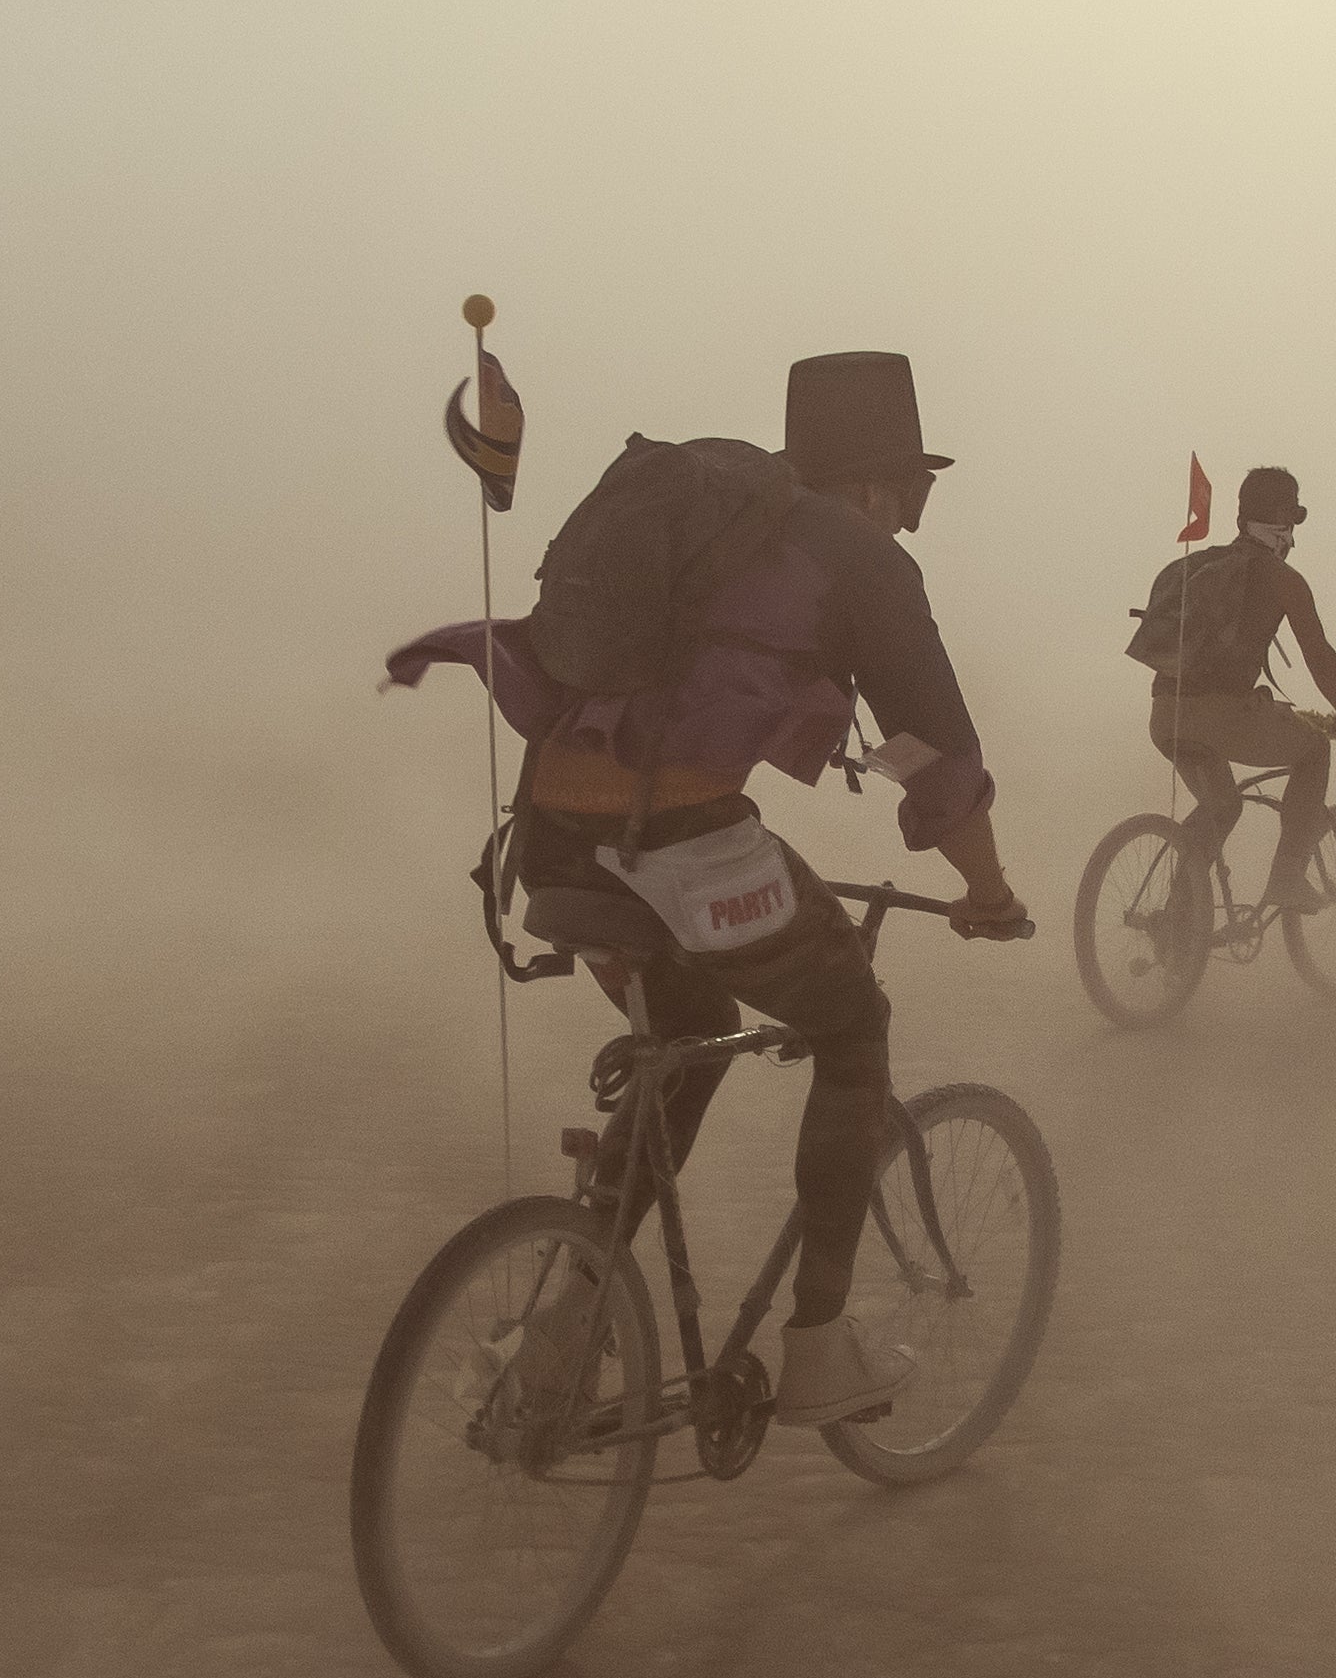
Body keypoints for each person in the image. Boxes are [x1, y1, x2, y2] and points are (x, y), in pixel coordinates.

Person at [385, 350, 1023, 1429]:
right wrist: (987, 888)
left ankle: (566, 1327)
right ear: (876, 482)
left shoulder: (711, 519)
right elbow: (932, 757)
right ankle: (818, 1349)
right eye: (910, 493)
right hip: (678, 846)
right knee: (852, 1023)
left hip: (553, 842)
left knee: (690, 1026)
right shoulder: (855, 554)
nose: (908, 520)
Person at [1144, 464, 1336, 922]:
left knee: (1222, 806)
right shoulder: (1281, 578)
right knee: (1314, 751)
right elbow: (1318, 653)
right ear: (1286, 521)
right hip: (1222, 717)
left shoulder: (1198, 565)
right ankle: (1287, 876)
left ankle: (1176, 922)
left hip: (1166, 714)